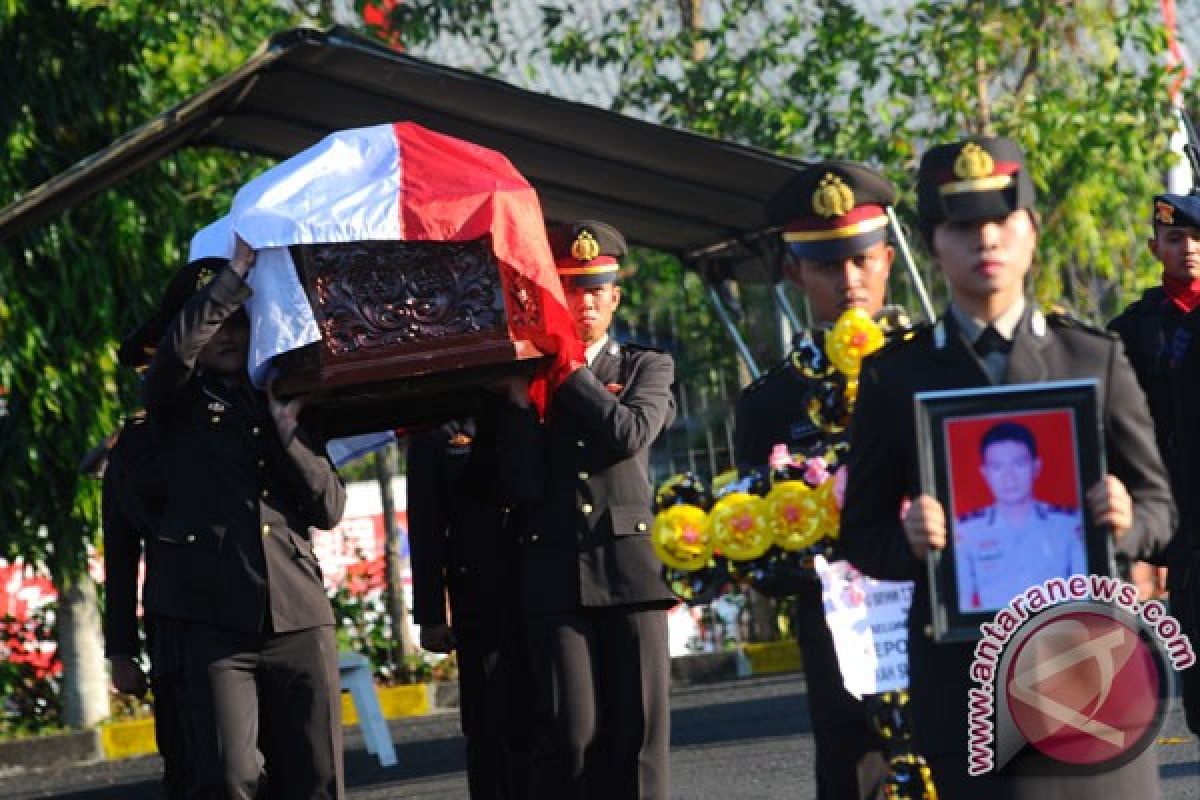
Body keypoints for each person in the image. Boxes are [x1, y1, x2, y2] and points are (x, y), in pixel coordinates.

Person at [839, 136, 1175, 797]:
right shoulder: (895, 377)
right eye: (962, 226)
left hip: (1096, 670)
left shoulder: (1092, 359)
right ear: (933, 243)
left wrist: (1127, 525)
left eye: (1001, 220)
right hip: (970, 681)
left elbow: (1162, 504)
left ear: (1031, 231)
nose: (985, 240)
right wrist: (908, 543)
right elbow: (860, 534)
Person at [142, 238, 347, 800]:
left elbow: (328, 508)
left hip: (298, 615)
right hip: (216, 623)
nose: (230, 335)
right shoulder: (174, 404)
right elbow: (173, 356)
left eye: (240, 322)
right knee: (230, 779)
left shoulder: (283, 398)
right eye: (218, 324)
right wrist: (233, 274)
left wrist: (289, 434)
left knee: (317, 777)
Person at [734, 161, 901, 799]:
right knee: (850, 777)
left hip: (936, 622)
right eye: (830, 265)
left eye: (862, 260)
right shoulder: (772, 403)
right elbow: (758, 548)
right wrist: (816, 561)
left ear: (886, 257)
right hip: (838, 634)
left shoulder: (938, 371)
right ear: (795, 272)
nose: (850, 280)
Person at [501, 220, 677, 800]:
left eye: (597, 289)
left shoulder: (645, 367)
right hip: (556, 573)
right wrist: (520, 398)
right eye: (573, 290)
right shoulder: (529, 376)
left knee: (640, 736)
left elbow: (627, 432)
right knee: (571, 735)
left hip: (630, 571)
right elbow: (514, 477)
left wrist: (571, 372)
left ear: (615, 296)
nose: (586, 302)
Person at [407, 410, 539, 799]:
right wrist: (431, 614)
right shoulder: (436, 428)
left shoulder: (530, 405)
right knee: (490, 727)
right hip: (480, 599)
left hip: (543, 587)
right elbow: (426, 525)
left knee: (549, 721)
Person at [1108, 190, 1200, 735]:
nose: (1188, 248)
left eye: (1197, 238)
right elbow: (1121, 434)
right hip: (1180, 520)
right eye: (1175, 238)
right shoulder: (1134, 330)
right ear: (1154, 247)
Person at [100, 410, 193, 799]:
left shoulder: (248, 414)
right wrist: (122, 652)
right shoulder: (133, 447)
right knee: (188, 766)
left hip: (256, 620)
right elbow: (120, 559)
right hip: (176, 628)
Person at [954, 420, 1086, 612]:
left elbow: (1085, 601)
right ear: (985, 473)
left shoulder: (1068, 526)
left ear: (1036, 467)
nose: (1009, 477)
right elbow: (960, 607)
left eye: (1019, 464)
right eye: (997, 467)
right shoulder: (966, 533)